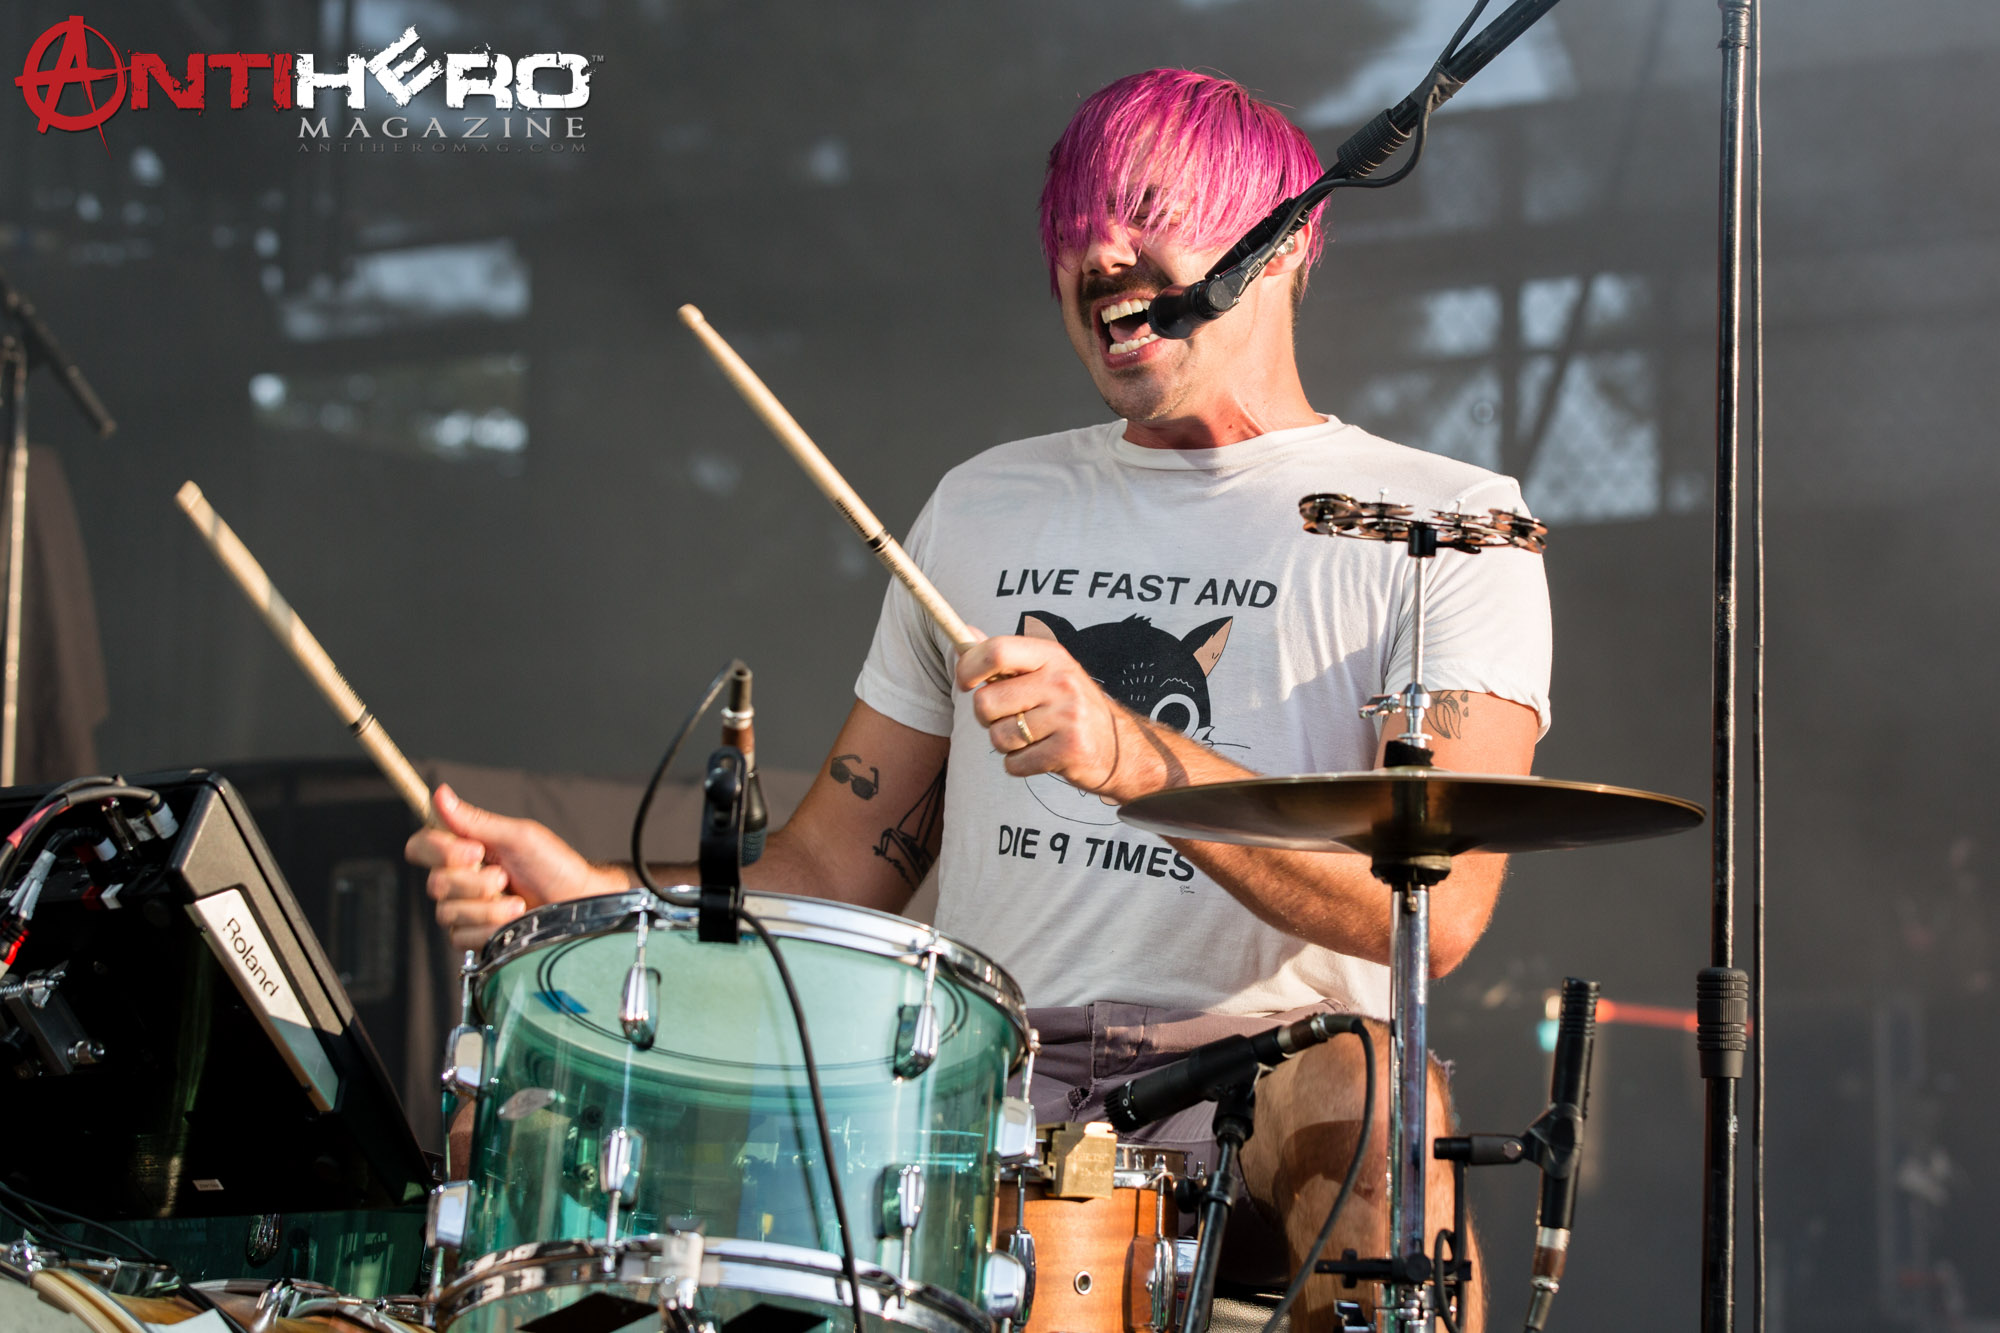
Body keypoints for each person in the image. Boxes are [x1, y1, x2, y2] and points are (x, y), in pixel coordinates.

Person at [410, 68, 1549, 1332]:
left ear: (1280, 244)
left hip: (1261, 1066)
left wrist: (1134, 759)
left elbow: (1434, 910)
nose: (1097, 254)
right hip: (983, 1066)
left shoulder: (1447, 524)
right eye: (1073, 227)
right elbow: (839, 867)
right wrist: (597, 909)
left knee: (1372, 1083)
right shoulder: (985, 503)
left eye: (1146, 213)